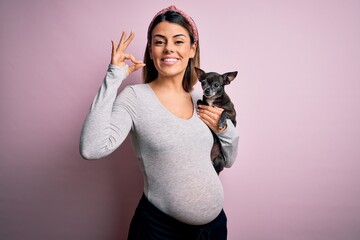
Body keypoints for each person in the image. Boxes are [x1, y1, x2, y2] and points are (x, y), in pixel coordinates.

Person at [79, 5, 239, 240]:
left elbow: (230, 159)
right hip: (161, 232)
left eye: (178, 41)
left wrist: (224, 129)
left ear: (192, 49)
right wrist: (114, 75)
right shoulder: (136, 97)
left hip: (214, 230)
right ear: (151, 50)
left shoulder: (202, 99)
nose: (168, 49)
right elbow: (91, 148)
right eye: (159, 41)